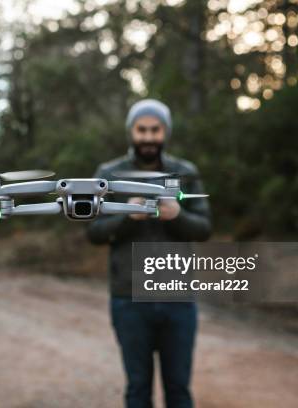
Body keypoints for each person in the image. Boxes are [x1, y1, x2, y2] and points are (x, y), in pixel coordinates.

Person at [87, 99, 212, 408]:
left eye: (154, 130)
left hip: (178, 300)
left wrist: (177, 215)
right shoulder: (109, 174)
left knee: (179, 390)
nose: (148, 137)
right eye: (141, 130)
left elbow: (204, 228)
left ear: (165, 132)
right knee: (138, 389)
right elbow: (93, 232)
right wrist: (128, 216)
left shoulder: (186, 172)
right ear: (131, 132)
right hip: (128, 299)